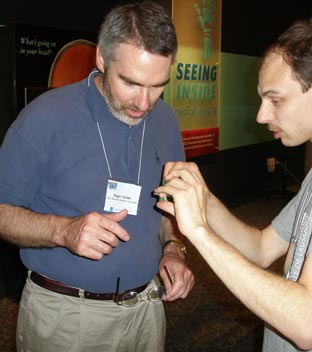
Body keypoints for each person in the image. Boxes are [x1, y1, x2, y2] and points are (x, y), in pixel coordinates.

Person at [154, 18, 312, 352]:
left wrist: (198, 232)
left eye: (275, 99)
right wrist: (205, 200)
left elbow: (307, 321)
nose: (261, 115)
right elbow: (262, 248)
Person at [0, 1, 194, 351]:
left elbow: (169, 205)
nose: (144, 102)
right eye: (131, 83)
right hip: (66, 319)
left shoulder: (165, 120)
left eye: (157, 85)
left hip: (146, 311)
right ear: (102, 60)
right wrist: (64, 231)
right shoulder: (44, 119)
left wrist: (173, 249)